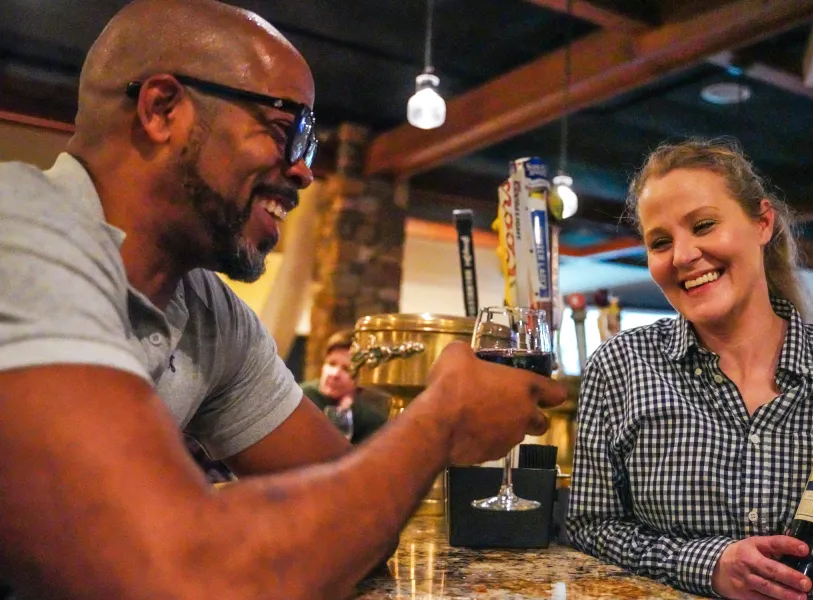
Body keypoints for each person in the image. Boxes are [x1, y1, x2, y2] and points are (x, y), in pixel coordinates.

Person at [0, 1, 565, 598]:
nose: (303, 172)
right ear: (162, 109)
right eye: (283, 129)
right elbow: (178, 577)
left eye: (310, 145)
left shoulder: (210, 314)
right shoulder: (19, 225)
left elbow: (358, 526)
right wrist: (438, 423)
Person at [566, 139, 813, 600]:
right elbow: (589, 531)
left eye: (703, 225)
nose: (683, 255)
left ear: (762, 223)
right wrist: (708, 566)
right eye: (660, 242)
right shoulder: (620, 367)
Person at [301, 330, 391, 444]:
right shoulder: (301, 398)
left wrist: (348, 411)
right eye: (331, 363)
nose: (334, 374)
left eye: (346, 369)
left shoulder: (371, 418)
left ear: (361, 377)